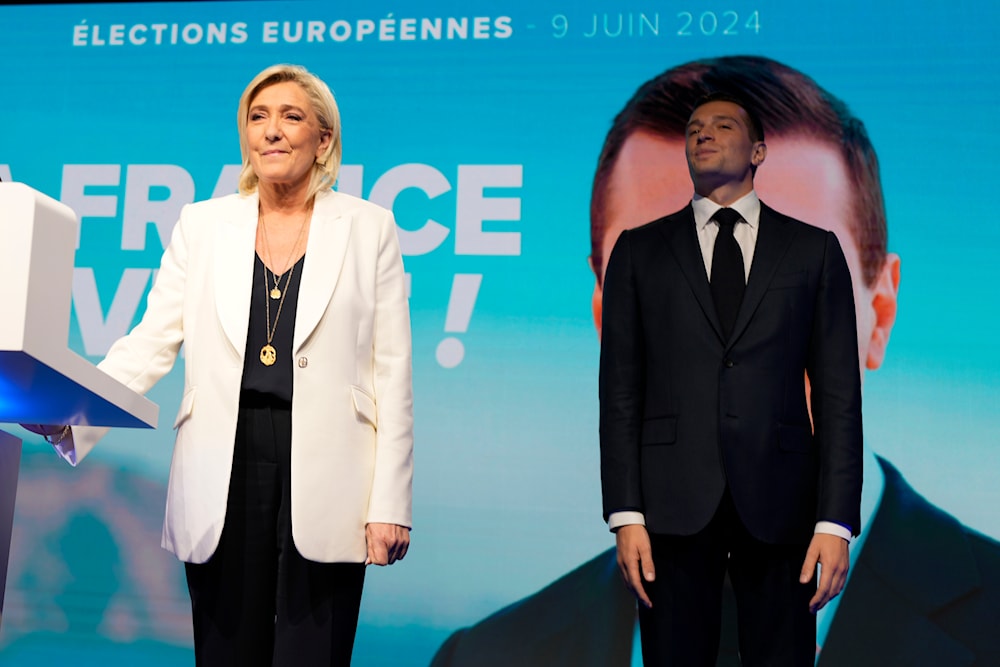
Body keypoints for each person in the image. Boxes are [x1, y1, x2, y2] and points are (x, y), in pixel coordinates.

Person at [432, 56, 1000, 666]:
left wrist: (834, 524)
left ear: (880, 313)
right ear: (605, 317)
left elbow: (836, 397)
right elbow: (619, 399)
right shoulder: (488, 654)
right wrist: (625, 513)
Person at [25, 63, 414, 666]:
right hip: (223, 456)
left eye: (291, 117)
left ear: (324, 140)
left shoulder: (369, 228)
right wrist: (74, 412)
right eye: (258, 118)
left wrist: (390, 503)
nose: (272, 131)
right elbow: (151, 340)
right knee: (226, 651)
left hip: (330, 466)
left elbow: (392, 372)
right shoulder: (201, 225)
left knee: (314, 653)